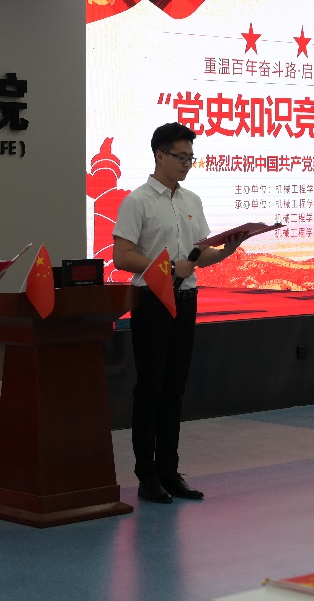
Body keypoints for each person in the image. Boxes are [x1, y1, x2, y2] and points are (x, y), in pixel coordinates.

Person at [112, 122, 247, 503]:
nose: (187, 163)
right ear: (160, 155)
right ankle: (147, 475)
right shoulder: (137, 201)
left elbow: (198, 255)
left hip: (186, 299)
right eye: (181, 156)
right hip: (152, 301)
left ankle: (169, 471)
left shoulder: (192, 200)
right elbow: (121, 256)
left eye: (191, 157)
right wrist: (169, 267)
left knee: (174, 389)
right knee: (150, 389)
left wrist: (226, 251)